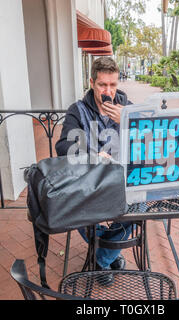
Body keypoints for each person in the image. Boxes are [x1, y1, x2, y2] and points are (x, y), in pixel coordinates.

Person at [55, 57, 133, 280]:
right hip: (89, 184)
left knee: (142, 206)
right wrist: (92, 156)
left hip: (121, 184)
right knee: (74, 203)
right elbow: (63, 146)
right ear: (92, 82)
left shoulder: (128, 108)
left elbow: (147, 143)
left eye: (113, 85)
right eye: (102, 85)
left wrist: (127, 120)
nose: (108, 91)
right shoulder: (77, 111)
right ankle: (109, 254)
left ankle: (101, 259)